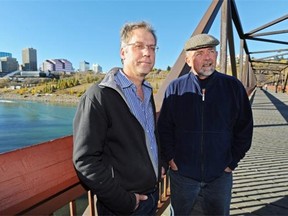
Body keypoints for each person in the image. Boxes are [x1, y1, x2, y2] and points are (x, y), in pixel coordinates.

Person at [157, 33, 253, 215]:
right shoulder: (175, 89)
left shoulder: (233, 87)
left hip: (220, 175)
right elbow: (165, 129)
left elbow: (244, 128)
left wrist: (231, 163)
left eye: (211, 51)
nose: (207, 57)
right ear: (187, 60)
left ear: (217, 55)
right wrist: (171, 159)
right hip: (183, 175)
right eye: (199, 53)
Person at [73, 21, 161, 216]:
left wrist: (159, 165)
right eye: (139, 46)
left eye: (152, 47)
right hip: (125, 207)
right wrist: (124, 202)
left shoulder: (147, 92)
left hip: (151, 196)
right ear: (123, 53)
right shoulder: (99, 96)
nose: (147, 52)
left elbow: (150, 135)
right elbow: (85, 160)